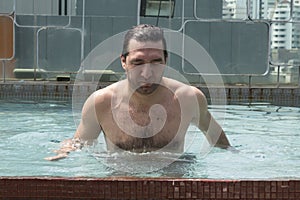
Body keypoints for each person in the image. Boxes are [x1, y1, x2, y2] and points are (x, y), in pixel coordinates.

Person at [45, 24, 231, 161]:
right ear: (124, 61)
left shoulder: (188, 99)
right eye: (138, 62)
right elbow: (80, 143)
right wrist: (63, 153)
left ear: (166, 60)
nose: (147, 73)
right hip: (119, 182)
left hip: (174, 181)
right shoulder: (101, 103)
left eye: (156, 62)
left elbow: (218, 141)